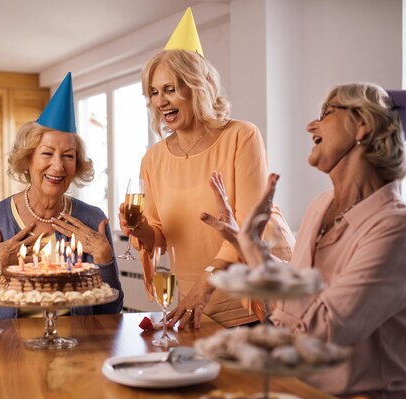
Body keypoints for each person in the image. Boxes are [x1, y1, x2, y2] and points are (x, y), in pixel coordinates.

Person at [202, 83, 406, 399]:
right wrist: (253, 249)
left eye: (327, 113)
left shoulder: (395, 226)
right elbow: (299, 299)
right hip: (301, 396)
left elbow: (322, 329)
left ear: (363, 125)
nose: (311, 126)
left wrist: (262, 268)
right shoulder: (321, 205)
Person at [118, 8, 293, 329]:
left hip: (253, 296)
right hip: (196, 303)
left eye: (170, 89)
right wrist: (139, 226)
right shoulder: (153, 158)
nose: (160, 101)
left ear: (197, 87)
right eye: (154, 93)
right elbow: (157, 235)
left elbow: (247, 224)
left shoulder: (241, 135)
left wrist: (205, 285)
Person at [0, 73, 123, 319]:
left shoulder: (92, 219)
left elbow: (111, 311)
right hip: (11, 350)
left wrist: (105, 259)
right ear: (27, 160)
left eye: (68, 155)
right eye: (47, 154)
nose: (57, 167)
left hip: (77, 347)